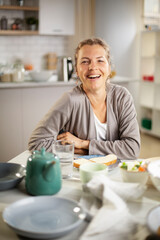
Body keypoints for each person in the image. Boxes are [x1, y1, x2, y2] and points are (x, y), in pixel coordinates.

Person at [28, 37, 140, 160]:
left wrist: (84, 144)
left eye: (100, 61)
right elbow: (37, 143)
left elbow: (132, 149)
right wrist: (77, 151)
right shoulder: (70, 100)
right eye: (85, 61)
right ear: (76, 69)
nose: (93, 67)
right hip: (79, 175)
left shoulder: (122, 97)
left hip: (116, 175)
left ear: (109, 68)